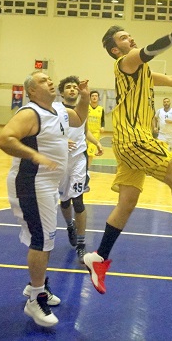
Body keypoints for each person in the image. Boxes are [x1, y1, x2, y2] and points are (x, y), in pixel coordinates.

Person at [83, 11, 172, 296]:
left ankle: (98, 258)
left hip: (128, 142)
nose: (130, 38)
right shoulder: (125, 62)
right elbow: (150, 50)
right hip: (134, 139)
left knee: (127, 203)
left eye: (129, 35)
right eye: (123, 37)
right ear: (115, 50)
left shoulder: (144, 73)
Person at [0, 71, 89, 328]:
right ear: (32, 91)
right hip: (31, 183)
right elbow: (4, 139)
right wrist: (33, 155)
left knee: (47, 239)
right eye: (42, 80)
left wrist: (83, 97)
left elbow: (79, 118)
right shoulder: (30, 113)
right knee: (41, 240)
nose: (49, 81)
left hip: (47, 185)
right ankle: (35, 300)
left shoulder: (59, 110)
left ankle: (36, 286)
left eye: (50, 79)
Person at [57, 76, 103, 265]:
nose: (72, 89)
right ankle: (70, 226)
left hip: (78, 159)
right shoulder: (55, 110)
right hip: (60, 160)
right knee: (64, 201)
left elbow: (85, 131)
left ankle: (81, 244)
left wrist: (97, 142)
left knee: (78, 201)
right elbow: (45, 133)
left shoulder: (82, 109)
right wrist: (60, 141)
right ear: (62, 92)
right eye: (68, 87)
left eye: (75, 87)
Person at [86, 90, 105, 165]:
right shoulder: (86, 107)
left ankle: (87, 168)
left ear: (98, 98)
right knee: (83, 152)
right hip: (85, 132)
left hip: (95, 134)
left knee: (90, 153)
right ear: (90, 98)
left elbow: (102, 120)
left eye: (96, 96)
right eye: (93, 96)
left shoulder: (101, 109)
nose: (94, 97)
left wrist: (102, 126)